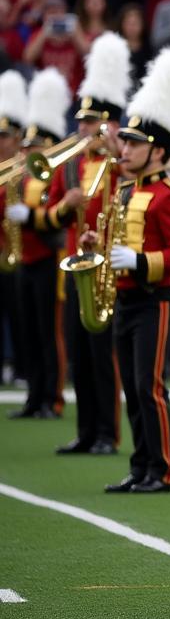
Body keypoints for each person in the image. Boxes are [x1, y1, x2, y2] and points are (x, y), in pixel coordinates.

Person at [89, 48, 170, 494]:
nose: (124, 148)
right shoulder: (126, 191)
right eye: (125, 142)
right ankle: (140, 466)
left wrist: (140, 262)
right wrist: (100, 245)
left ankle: (163, 469)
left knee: (149, 387)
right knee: (131, 387)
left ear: (158, 151)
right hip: (127, 299)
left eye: (133, 143)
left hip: (156, 300)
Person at [42, 33, 130, 455]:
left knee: (102, 353)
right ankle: (86, 430)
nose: (82, 129)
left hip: (107, 263)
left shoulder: (117, 164)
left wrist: (117, 151)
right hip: (75, 259)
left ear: (107, 124)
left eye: (91, 123)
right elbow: (51, 211)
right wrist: (64, 206)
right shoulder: (72, 165)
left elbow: (129, 197)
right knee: (79, 350)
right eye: (81, 122)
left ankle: (108, 433)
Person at [4, 67, 71, 419]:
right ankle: (34, 397)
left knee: (49, 333)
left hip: (48, 257)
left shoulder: (56, 174)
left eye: (35, 145)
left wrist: (28, 216)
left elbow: (57, 216)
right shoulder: (21, 177)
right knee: (28, 333)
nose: (29, 151)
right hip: (25, 261)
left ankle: (53, 397)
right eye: (27, 145)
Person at [0, 71, 28, 386]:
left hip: (18, 250)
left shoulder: (22, 168)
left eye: (6, 135)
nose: (1, 141)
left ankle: (22, 368)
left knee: (21, 315)